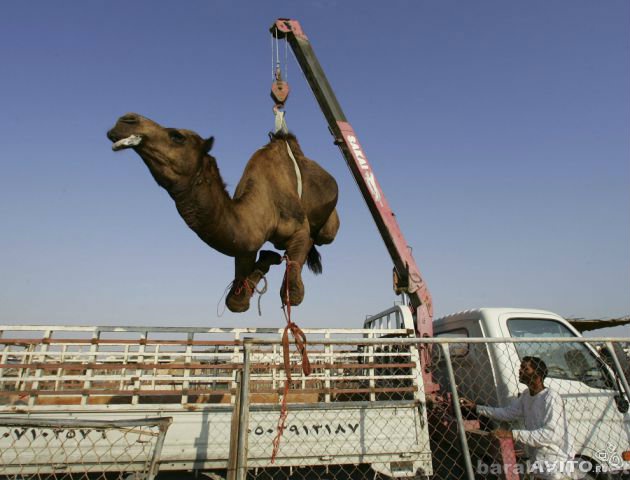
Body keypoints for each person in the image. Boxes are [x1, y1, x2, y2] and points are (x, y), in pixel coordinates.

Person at [460, 356, 575, 480]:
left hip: (556, 464)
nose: (520, 371)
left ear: (538, 374)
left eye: (525, 369)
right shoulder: (526, 395)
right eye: (521, 368)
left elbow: (551, 434)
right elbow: (508, 413)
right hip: (540, 462)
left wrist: (511, 434)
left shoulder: (550, 397)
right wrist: (476, 407)